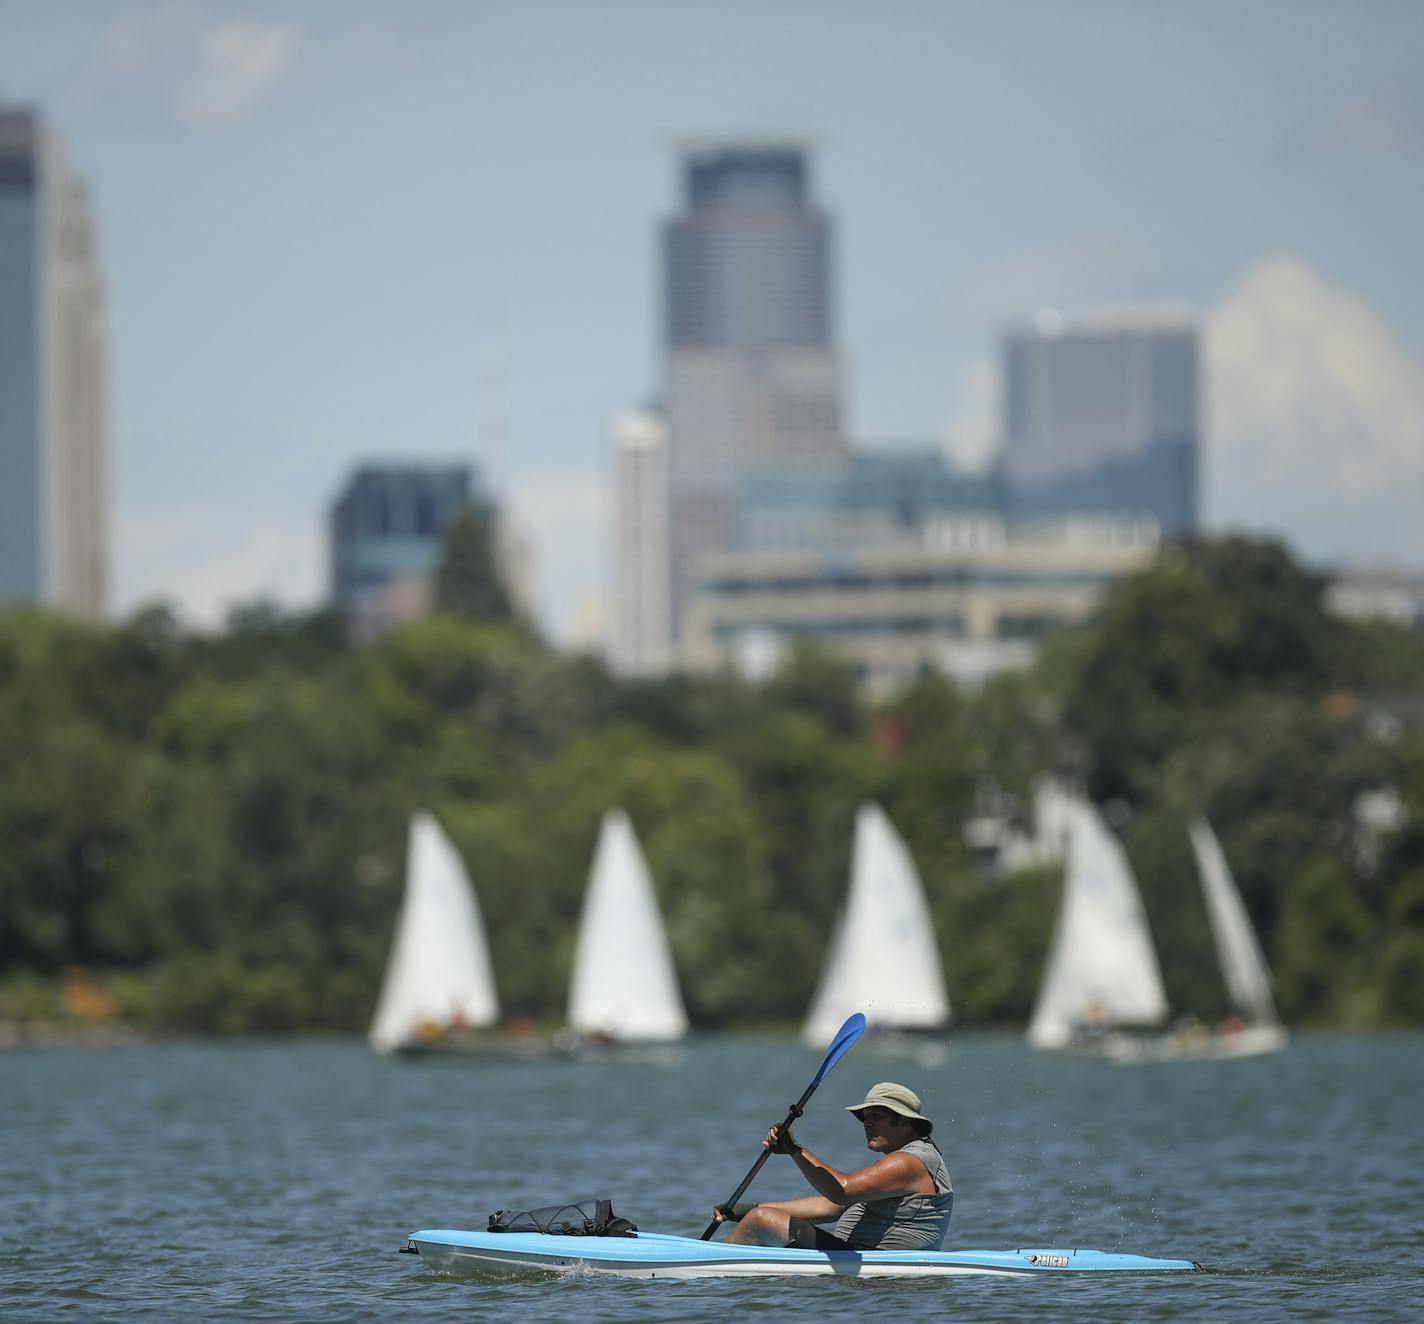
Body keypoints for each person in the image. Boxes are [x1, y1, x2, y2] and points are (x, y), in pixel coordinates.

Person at [711, 1081, 953, 1251]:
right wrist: (744, 1210)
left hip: (876, 1263)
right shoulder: (901, 1161)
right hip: (856, 1256)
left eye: (876, 1117)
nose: (867, 1124)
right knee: (760, 1216)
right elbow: (830, 1205)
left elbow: (841, 1190)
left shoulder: (909, 1162)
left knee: (762, 1220)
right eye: (864, 1118)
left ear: (903, 1122)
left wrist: (795, 1151)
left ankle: (710, 1268)